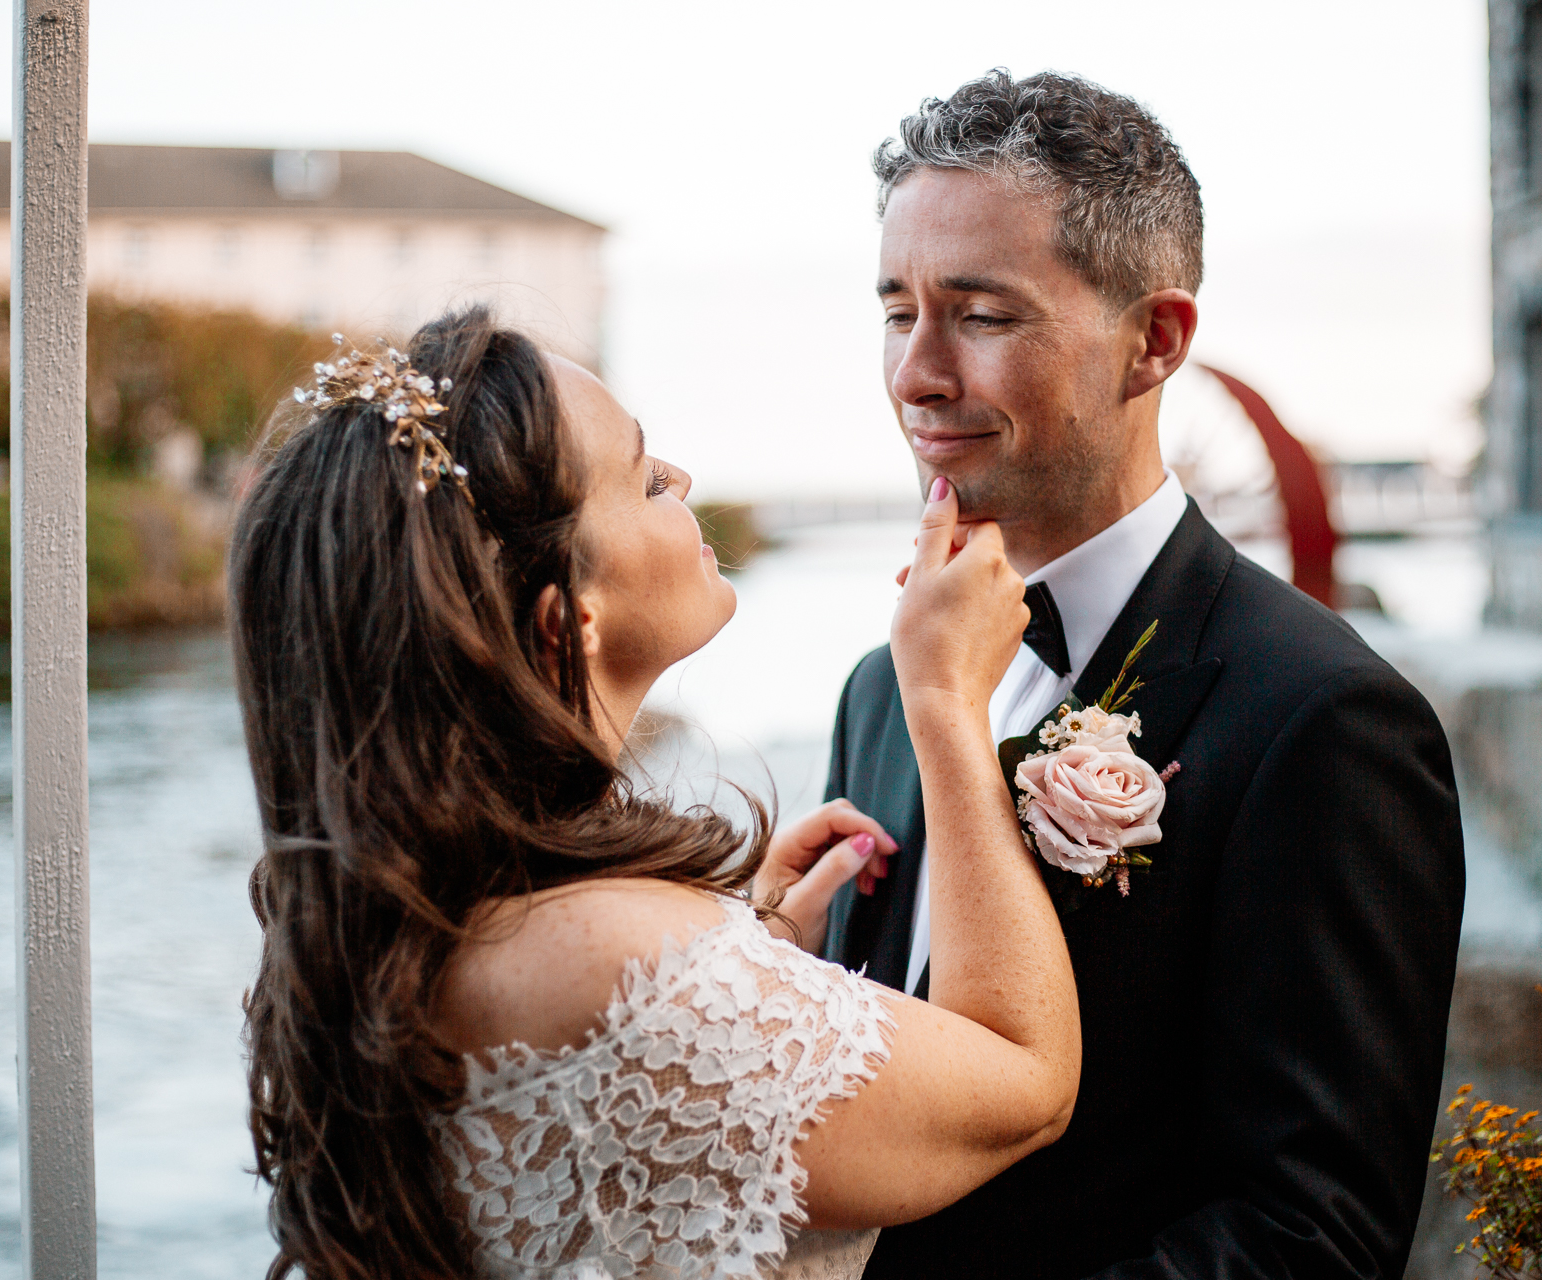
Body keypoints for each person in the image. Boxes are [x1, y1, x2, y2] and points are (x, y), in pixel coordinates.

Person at [231, 306, 1081, 1280]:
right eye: (642, 477)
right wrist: (944, 697)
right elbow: (1026, 1083)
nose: (681, 478)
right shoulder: (615, 962)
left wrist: (748, 959)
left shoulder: (422, 917)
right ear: (570, 620)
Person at [823, 70, 1467, 1279]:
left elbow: (1309, 1236)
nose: (918, 371)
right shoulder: (881, 689)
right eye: (897, 310)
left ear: (1155, 341)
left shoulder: (1323, 721)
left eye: (983, 314)